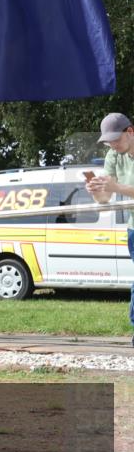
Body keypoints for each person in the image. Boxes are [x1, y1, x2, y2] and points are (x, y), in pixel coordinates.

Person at [86, 112, 134, 347]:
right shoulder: (113, 156)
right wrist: (96, 190)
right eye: (109, 141)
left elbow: (119, 188)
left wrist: (117, 186)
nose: (113, 145)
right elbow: (106, 198)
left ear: (130, 131)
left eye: (116, 139)